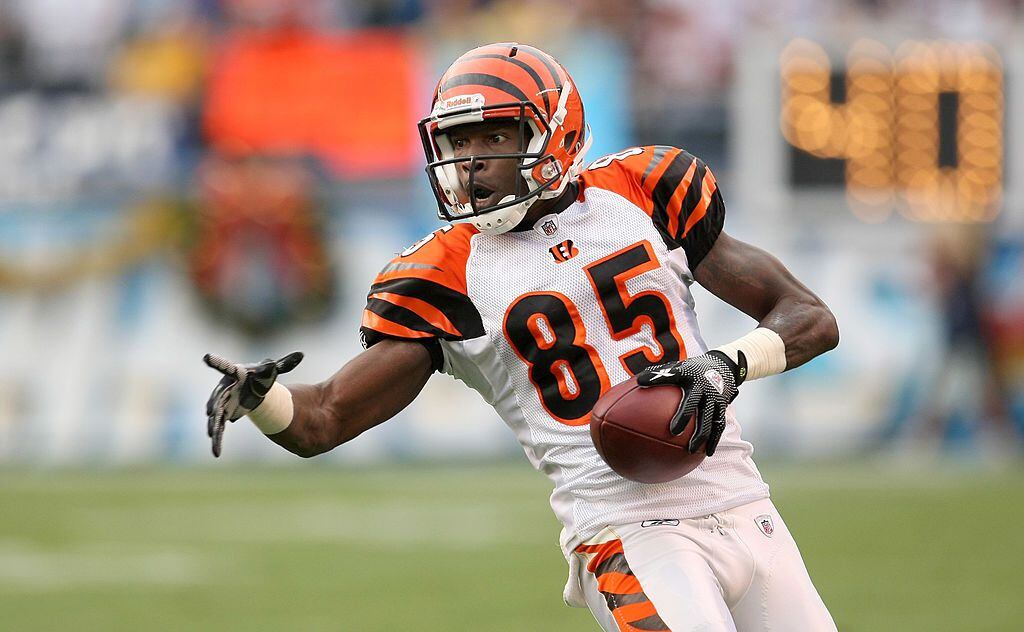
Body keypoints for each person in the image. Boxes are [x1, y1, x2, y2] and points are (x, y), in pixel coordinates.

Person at [204, 42, 839, 631]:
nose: (473, 163)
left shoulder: (645, 191)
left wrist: (727, 366)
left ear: (553, 132)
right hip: (623, 526)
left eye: (494, 136)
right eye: (460, 143)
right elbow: (324, 419)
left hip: (742, 499)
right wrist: (263, 399)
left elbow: (809, 318)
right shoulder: (445, 273)